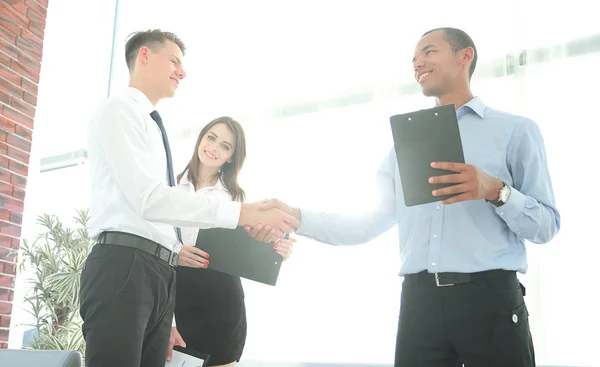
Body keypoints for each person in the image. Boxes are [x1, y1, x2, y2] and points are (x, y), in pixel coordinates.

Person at [249, 27, 560, 367]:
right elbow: (367, 224)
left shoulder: (515, 131)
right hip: (420, 303)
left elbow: (545, 226)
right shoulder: (404, 147)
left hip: (489, 301)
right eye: (414, 59)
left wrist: (496, 191)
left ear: (464, 56)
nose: (418, 64)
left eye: (428, 52)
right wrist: (295, 215)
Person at [80, 29, 299, 367]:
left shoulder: (152, 124)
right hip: (128, 264)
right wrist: (242, 213)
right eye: (174, 61)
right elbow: (151, 201)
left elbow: (161, 218)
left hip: (162, 277)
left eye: (226, 145)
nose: (181, 72)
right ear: (144, 56)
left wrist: (271, 246)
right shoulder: (120, 111)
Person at [171, 116, 295, 367]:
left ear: (230, 157)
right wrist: (175, 251)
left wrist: (279, 249)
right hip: (177, 295)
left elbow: (252, 245)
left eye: (225, 146)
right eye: (211, 138)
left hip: (221, 300)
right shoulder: (169, 188)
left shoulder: (235, 197)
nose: (214, 148)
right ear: (201, 139)